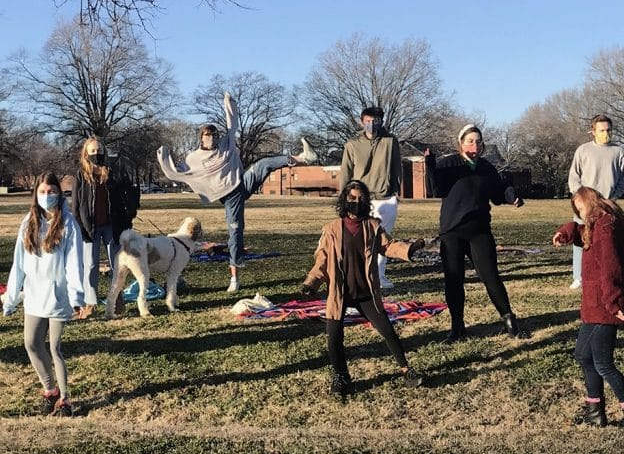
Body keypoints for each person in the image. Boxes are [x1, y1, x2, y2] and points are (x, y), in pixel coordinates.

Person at [157, 91, 317, 292]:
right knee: (235, 234)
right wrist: (164, 158)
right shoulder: (194, 158)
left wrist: (229, 102)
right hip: (230, 197)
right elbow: (175, 173)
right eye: (208, 135)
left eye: (214, 135)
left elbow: (232, 123)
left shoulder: (226, 144)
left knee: (263, 164)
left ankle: (303, 158)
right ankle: (235, 278)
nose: (212, 138)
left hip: (242, 183)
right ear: (201, 138)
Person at [301, 180, 425, 396]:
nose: (356, 203)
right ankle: (341, 376)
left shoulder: (373, 226)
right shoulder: (331, 230)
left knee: (387, 330)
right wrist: (312, 282)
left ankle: (407, 370)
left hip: (366, 293)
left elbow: (388, 246)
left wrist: (408, 250)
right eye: (352, 199)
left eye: (360, 199)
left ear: (366, 201)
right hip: (339, 293)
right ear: (344, 201)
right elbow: (321, 258)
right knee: (334, 336)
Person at [553, 186, 624, 427]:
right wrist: (566, 232)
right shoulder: (597, 224)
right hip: (594, 305)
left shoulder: (606, 227)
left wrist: (613, 301)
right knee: (584, 355)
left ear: (590, 202)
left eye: (581, 208)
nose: (580, 213)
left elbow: (610, 267)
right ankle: (595, 411)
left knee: (603, 362)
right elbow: (580, 231)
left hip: (604, 305)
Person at [425, 124, 529, 343]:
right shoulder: (449, 164)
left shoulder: (486, 167)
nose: (475, 145)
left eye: (478, 141)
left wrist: (512, 196)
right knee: (454, 280)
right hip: (452, 231)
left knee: (490, 276)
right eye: (470, 141)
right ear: (460, 143)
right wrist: (430, 166)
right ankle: (457, 327)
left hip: (479, 230)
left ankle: (510, 321)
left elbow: (499, 193)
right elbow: (437, 189)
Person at [3, 173, 85, 417]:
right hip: (34, 296)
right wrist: (10, 297)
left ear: (60, 194)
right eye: (42, 192)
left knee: (55, 348)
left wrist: (76, 297)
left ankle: (65, 400)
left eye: (52, 192)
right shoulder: (28, 222)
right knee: (31, 344)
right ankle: (50, 391)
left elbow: (74, 263)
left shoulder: (68, 224)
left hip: (58, 297)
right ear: (35, 194)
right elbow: (18, 263)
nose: (47, 196)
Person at [72, 137, 140, 319]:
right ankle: (90, 304)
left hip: (112, 225)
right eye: (93, 151)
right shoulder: (81, 174)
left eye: (99, 150)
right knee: (91, 265)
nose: (97, 154)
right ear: (86, 153)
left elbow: (125, 195)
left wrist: (129, 214)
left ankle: (117, 300)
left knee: (116, 264)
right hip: (89, 227)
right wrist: (79, 226)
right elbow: (76, 205)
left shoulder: (112, 172)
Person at [338, 106, 403, 290]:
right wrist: (345, 199)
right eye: (367, 121)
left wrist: (397, 193)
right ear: (361, 122)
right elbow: (346, 172)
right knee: (359, 239)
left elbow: (397, 167)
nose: (371, 125)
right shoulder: (352, 144)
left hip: (385, 197)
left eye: (375, 121)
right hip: (360, 199)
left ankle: (379, 276)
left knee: (382, 239)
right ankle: (358, 276)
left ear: (381, 121)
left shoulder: (390, 141)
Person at [566, 114, 624, 290]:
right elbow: (574, 176)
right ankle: (579, 276)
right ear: (593, 131)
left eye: (608, 130)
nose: (605, 133)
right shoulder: (583, 150)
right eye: (601, 130)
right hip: (585, 205)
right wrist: (581, 199)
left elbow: (623, 179)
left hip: (608, 205)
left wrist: (613, 199)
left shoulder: (619, 152)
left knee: (607, 241)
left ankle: (605, 274)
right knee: (582, 240)